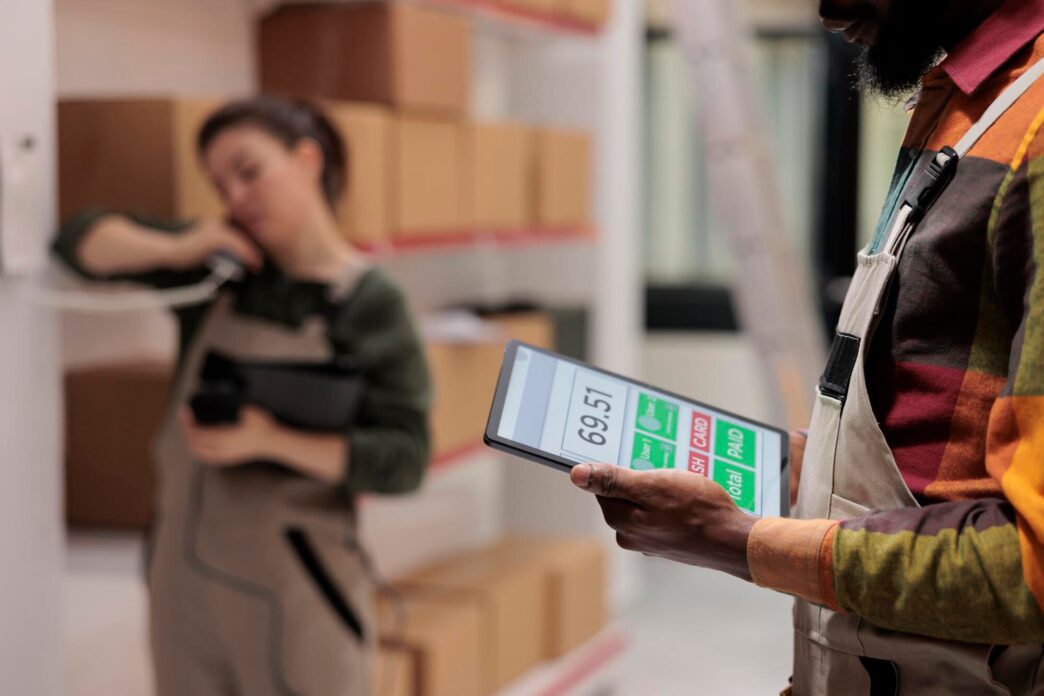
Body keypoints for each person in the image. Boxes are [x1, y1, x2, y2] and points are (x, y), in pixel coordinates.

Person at [570, 0, 1044, 693]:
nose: (825, 11)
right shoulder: (968, 104)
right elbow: (950, 428)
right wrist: (816, 467)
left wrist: (734, 542)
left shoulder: (1035, 130)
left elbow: (1032, 569)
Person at [53, 96, 431, 696]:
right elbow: (79, 243)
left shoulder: (370, 302)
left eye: (249, 171)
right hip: (181, 585)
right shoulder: (216, 273)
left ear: (307, 159)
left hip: (297, 588)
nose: (235, 198)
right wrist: (178, 247)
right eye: (220, 185)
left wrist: (269, 440)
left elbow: (405, 457)